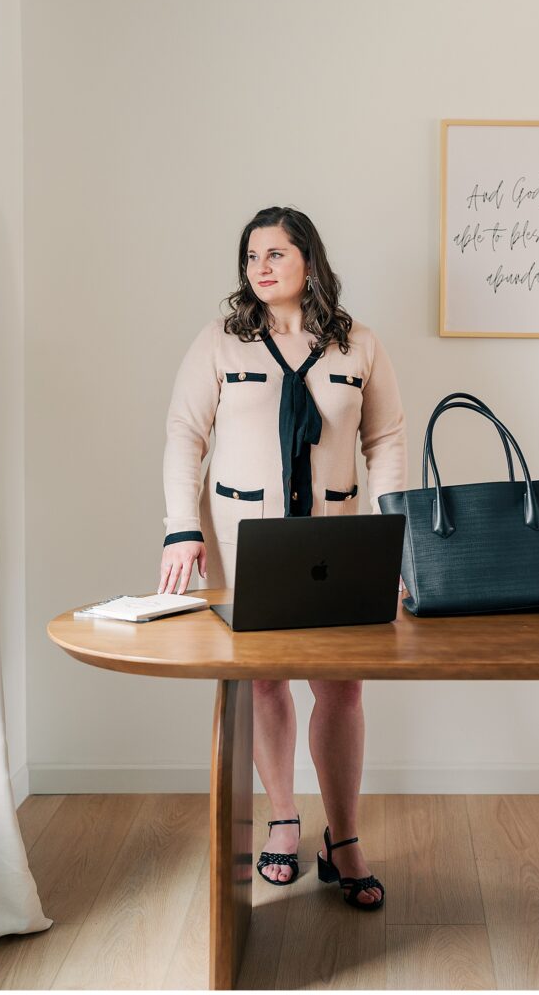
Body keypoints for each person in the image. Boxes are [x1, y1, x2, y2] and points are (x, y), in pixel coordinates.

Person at [158, 206, 407, 909]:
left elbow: (386, 442)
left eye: (275, 253)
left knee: (342, 687)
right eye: (251, 256)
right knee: (265, 682)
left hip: (336, 538)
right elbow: (185, 434)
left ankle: (344, 837)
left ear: (309, 260)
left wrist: (393, 543)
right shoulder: (220, 342)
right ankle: (283, 820)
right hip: (247, 538)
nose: (260, 267)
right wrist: (184, 529)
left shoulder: (357, 344)